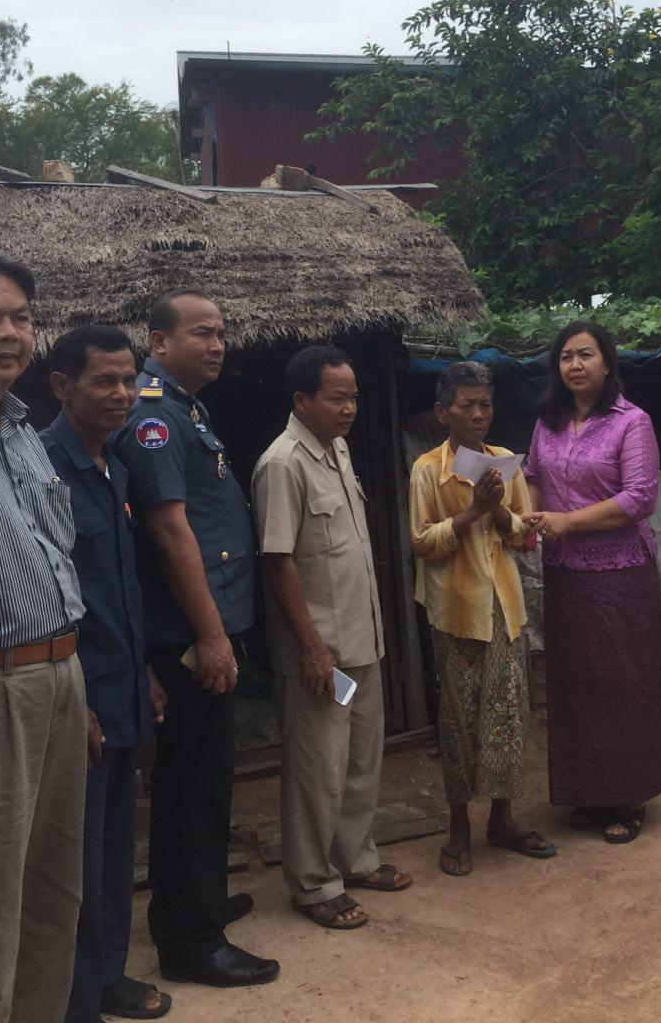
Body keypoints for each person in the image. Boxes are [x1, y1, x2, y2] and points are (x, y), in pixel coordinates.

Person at [113, 290, 278, 989]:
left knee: (211, 776)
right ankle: (188, 940)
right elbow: (169, 529)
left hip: (210, 623)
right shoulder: (154, 417)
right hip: (186, 635)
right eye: (202, 333)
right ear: (158, 342)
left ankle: (201, 902)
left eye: (222, 333)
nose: (218, 344)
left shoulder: (187, 409)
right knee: (190, 785)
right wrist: (212, 636)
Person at [0, 249, 87, 1022]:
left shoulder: (24, 427)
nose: (9, 332)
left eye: (21, 318)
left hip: (60, 684)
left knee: (51, 902)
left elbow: (54, 567)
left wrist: (79, 691)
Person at [253, 345, 412, 930]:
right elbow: (278, 564)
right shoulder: (282, 463)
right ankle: (314, 883)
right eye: (337, 397)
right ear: (303, 400)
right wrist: (312, 649)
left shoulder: (337, 450)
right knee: (317, 768)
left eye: (354, 396)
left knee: (360, 760)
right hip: (322, 655)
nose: (349, 408)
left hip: (361, 643)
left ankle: (355, 857)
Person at [40, 326, 171, 1022]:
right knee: (77, 855)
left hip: (123, 684)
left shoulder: (114, 465)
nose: (122, 395)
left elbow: (119, 587)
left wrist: (145, 670)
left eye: (130, 380)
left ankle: (108, 972)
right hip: (77, 695)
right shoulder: (42, 469)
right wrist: (79, 699)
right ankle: (75, 993)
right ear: (61, 386)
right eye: (104, 382)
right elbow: (47, 598)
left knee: (118, 840)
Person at [523, 320, 661, 843]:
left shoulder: (632, 422)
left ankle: (627, 797)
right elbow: (534, 475)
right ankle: (587, 791)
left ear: (607, 362)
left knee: (621, 680)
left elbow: (639, 498)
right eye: (566, 357)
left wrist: (567, 522)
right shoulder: (549, 421)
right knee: (575, 682)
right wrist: (529, 520)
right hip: (564, 572)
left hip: (619, 572)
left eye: (586, 355)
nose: (576, 365)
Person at [408, 361, 555, 876]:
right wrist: (472, 512)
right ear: (441, 411)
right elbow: (422, 542)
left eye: (484, 405)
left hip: (506, 609)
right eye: (465, 405)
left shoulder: (504, 463)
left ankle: (503, 819)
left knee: (508, 715)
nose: (477, 414)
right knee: (458, 718)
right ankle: (458, 827)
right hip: (456, 609)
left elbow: (524, 536)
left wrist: (496, 511)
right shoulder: (429, 468)